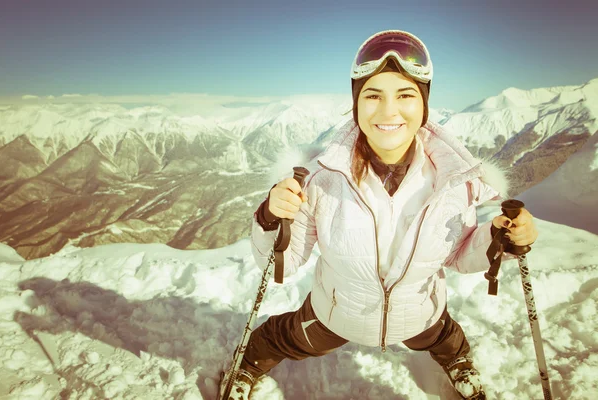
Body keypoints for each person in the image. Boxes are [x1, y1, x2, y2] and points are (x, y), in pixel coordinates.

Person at [219, 30, 538, 400]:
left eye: (405, 95)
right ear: (357, 105)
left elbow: (458, 254)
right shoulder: (321, 179)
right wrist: (272, 218)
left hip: (419, 313)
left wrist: (499, 238)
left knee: (442, 336)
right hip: (338, 314)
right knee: (286, 337)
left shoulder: (455, 182)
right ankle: (249, 363)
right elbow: (283, 264)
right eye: (373, 95)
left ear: (424, 106)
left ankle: (458, 361)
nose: (389, 111)